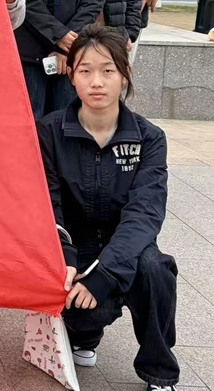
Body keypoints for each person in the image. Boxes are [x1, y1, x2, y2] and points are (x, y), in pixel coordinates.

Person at [38, 24, 179, 391]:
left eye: (107, 70)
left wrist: (106, 273)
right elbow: (48, 203)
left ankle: (160, 370)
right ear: (71, 75)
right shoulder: (49, 132)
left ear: (125, 75)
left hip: (125, 243)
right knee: (79, 303)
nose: (96, 82)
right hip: (74, 245)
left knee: (155, 270)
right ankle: (83, 337)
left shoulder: (149, 138)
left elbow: (145, 212)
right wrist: (66, 257)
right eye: (85, 70)